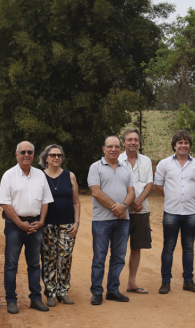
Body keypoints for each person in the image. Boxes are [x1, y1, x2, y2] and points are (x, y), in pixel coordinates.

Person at [0, 141, 54, 314]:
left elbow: (45, 200)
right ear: (17, 154)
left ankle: (35, 299)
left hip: (36, 224)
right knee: (11, 264)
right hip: (15, 225)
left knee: (34, 264)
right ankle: (11, 300)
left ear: (33, 154)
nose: (26, 155)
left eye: (30, 152)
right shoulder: (9, 175)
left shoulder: (40, 175)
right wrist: (19, 223)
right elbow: (5, 203)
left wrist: (42, 221)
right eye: (23, 152)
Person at [153, 130, 195, 294]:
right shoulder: (164, 164)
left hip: (191, 213)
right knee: (168, 247)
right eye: (180, 143)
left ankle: (188, 281)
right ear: (174, 145)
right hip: (171, 212)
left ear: (189, 145)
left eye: (186, 143)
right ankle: (165, 282)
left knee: (188, 248)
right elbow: (157, 186)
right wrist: (170, 196)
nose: (183, 146)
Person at [88, 136, 135, 305]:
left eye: (116, 146)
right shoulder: (95, 167)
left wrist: (124, 206)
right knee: (99, 257)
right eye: (110, 146)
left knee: (119, 257)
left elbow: (131, 192)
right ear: (104, 148)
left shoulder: (126, 169)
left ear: (121, 149)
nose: (113, 149)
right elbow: (95, 192)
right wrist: (117, 209)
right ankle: (97, 292)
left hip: (123, 221)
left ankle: (113, 290)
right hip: (102, 220)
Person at [38, 144, 81, 307]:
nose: (56, 158)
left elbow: (76, 202)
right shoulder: (40, 176)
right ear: (46, 158)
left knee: (65, 258)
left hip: (68, 224)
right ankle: (50, 292)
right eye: (53, 155)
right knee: (49, 259)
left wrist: (77, 223)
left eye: (59, 155)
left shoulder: (70, 176)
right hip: (47, 225)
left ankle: (62, 291)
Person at [118, 129, 153, 295]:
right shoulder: (116, 160)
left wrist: (138, 201)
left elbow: (149, 184)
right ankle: (113, 283)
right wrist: (128, 204)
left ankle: (132, 282)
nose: (133, 142)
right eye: (129, 139)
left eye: (136, 140)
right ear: (123, 142)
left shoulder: (146, 161)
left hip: (141, 210)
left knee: (137, 247)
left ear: (139, 142)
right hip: (121, 212)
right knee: (118, 248)